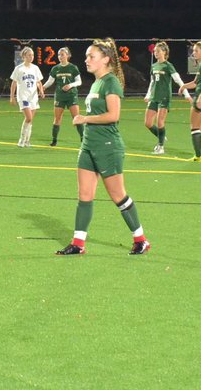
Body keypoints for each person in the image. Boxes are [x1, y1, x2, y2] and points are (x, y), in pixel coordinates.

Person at [56, 38, 150, 256]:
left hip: (108, 146)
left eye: (92, 56)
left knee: (118, 195)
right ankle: (78, 244)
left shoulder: (111, 82)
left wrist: (85, 119)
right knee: (85, 195)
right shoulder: (96, 83)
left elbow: (113, 115)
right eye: (87, 56)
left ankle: (141, 239)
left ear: (106, 59)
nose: (86, 60)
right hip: (88, 146)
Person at [143, 41, 189, 154]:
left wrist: (186, 94)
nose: (156, 53)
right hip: (154, 97)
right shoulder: (154, 66)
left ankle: (160, 146)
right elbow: (152, 82)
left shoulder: (168, 66)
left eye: (158, 51)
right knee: (148, 123)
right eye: (154, 51)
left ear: (164, 52)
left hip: (164, 97)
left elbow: (178, 80)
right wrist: (148, 95)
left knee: (160, 122)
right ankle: (161, 136)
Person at [41, 47, 83, 146]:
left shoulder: (73, 67)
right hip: (60, 96)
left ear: (68, 55)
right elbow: (50, 81)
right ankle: (54, 140)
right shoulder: (55, 68)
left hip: (71, 96)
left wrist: (71, 85)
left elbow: (79, 82)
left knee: (76, 118)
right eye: (59, 55)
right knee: (57, 119)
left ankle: (83, 139)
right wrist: (43, 87)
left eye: (62, 54)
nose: (60, 57)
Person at [9, 47, 44, 147]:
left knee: (31, 119)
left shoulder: (35, 68)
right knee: (28, 117)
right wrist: (12, 97)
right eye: (29, 55)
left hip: (33, 97)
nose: (31, 57)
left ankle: (27, 141)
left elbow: (38, 82)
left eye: (32, 55)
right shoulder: (19, 69)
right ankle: (21, 139)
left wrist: (41, 90)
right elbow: (14, 83)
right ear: (24, 56)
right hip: (23, 97)